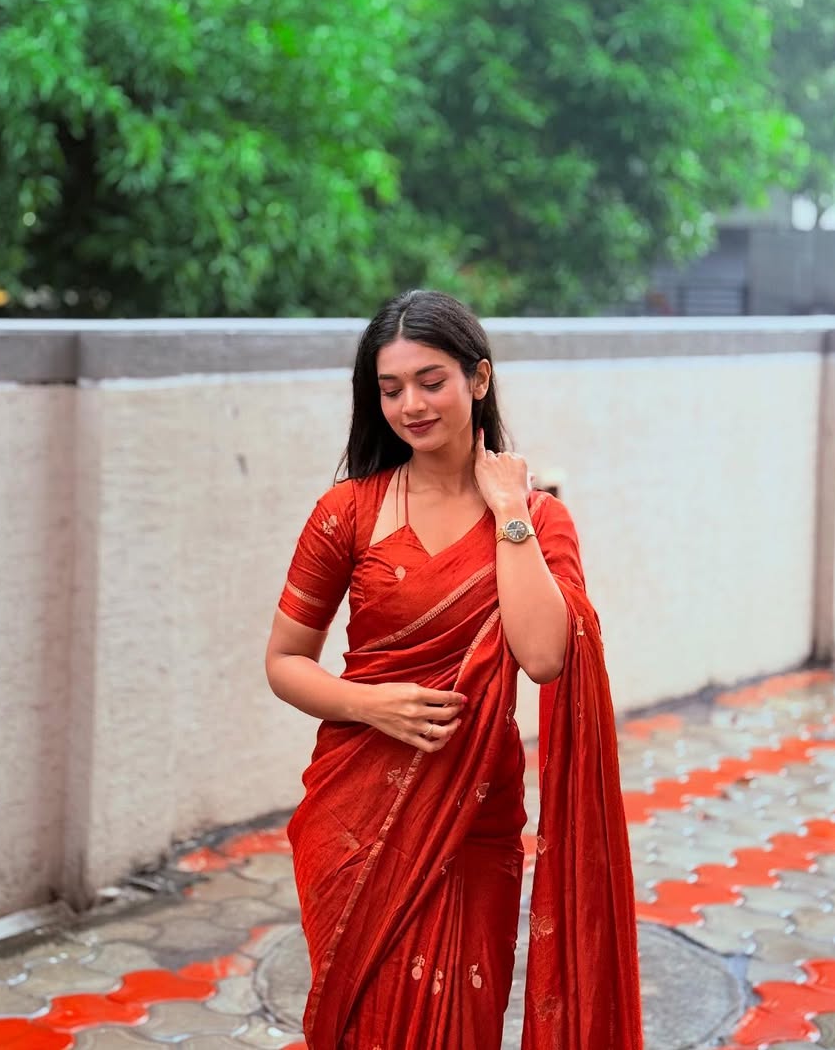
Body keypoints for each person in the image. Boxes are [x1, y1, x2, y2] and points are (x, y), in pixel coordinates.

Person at [265, 290, 642, 1050]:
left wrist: (508, 510)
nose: (410, 404)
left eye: (430, 380)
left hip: (473, 815)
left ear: (479, 378)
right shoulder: (349, 511)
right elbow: (284, 662)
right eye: (390, 387)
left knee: (461, 1026)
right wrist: (372, 706)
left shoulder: (536, 520)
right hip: (355, 809)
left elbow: (544, 657)